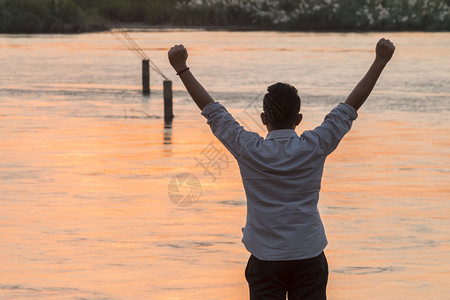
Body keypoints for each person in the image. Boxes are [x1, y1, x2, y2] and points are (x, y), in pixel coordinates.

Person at [168, 38, 395, 300]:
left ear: (264, 119)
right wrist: (380, 61)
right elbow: (349, 107)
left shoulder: (248, 148)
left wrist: (182, 68)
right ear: (298, 119)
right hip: (308, 256)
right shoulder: (315, 146)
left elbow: (213, 112)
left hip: (265, 260)